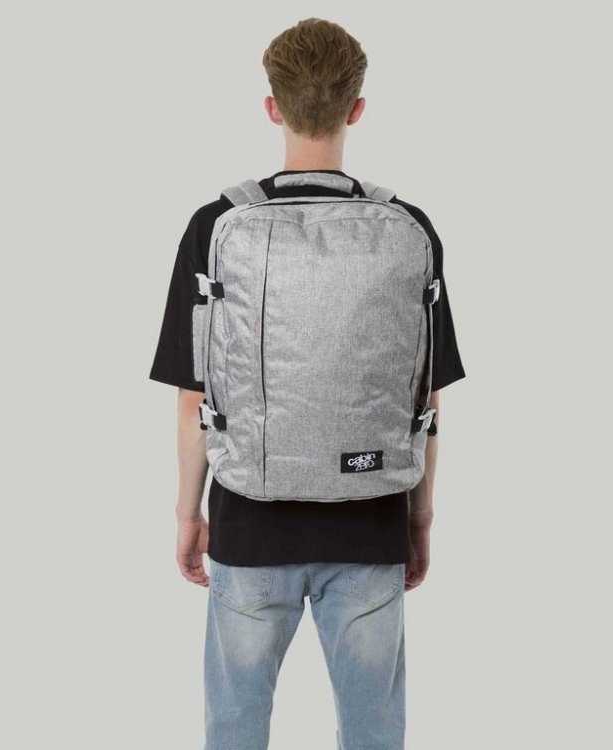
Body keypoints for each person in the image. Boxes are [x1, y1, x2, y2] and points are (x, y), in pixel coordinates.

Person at [148, 17, 466, 750]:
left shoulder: (215, 224)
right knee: (374, 731)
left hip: (247, 521)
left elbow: (194, 397)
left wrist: (188, 513)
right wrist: (418, 520)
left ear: (272, 106)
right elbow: (427, 398)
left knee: (235, 727)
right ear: (357, 108)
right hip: (372, 520)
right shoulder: (409, 227)